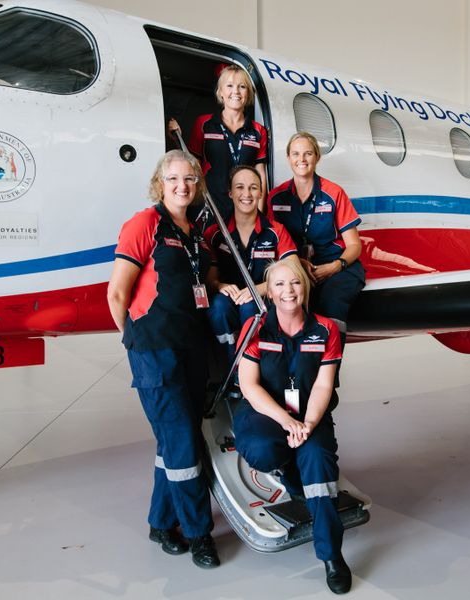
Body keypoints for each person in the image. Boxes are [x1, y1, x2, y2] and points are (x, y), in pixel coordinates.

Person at [106, 150, 221, 569]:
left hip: (190, 348)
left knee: (174, 441)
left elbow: (206, 283)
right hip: (155, 351)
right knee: (185, 443)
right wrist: (135, 340)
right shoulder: (144, 225)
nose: (182, 185)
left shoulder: (195, 233)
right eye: (174, 179)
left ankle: (159, 522)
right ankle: (198, 533)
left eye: (190, 179)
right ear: (160, 182)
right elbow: (117, 294)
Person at [234, 258, 353, 594]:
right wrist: (287, 422)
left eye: (296, 283)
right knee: (261, 449)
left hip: (309, 412)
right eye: (280, 285)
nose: (289, 291)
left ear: (306, 286)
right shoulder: (255, 329)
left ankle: (332, 557)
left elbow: (322, 386)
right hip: (266, 412)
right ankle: (286, 467)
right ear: (269, 292)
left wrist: (308, 423)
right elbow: (250, 386)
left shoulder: (326, 329)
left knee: (319, 468)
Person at [266, 132, 365, 341]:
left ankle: (330, 363)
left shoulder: (334, 193)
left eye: (308, 154)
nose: (301, 160)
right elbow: (271, 243)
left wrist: (335, 266)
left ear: (317, 157)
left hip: (338, 265)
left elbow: (354, 245)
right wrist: (296, 262)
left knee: (331, 301)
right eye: (295, 154)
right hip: (297, 266)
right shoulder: (275, 197)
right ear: (288, 158)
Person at [206, 165, 297, 361]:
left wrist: (259, 290)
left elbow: (294, 271)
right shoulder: (214, 232)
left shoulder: (276, 230)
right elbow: (209, 279)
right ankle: (231, 366)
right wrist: (220, 286)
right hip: (228, 302)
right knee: (219, 306)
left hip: (262, 299)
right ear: (230, 193)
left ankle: (248, 368)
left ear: (261, 192)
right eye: (240, 187)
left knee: (250, 308)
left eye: (253, 187)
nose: (246, 194)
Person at [169, 64, 269, 220]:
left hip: (243, 207)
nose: (235, 91)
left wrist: (260, 215)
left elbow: (260, 174)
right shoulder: (204, 123)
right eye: (229, 86)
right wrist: (177, 139)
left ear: (248, 93)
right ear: (221, 92)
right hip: (209, 205)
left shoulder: (258, 131)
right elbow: (191, 165)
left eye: (242, 86)